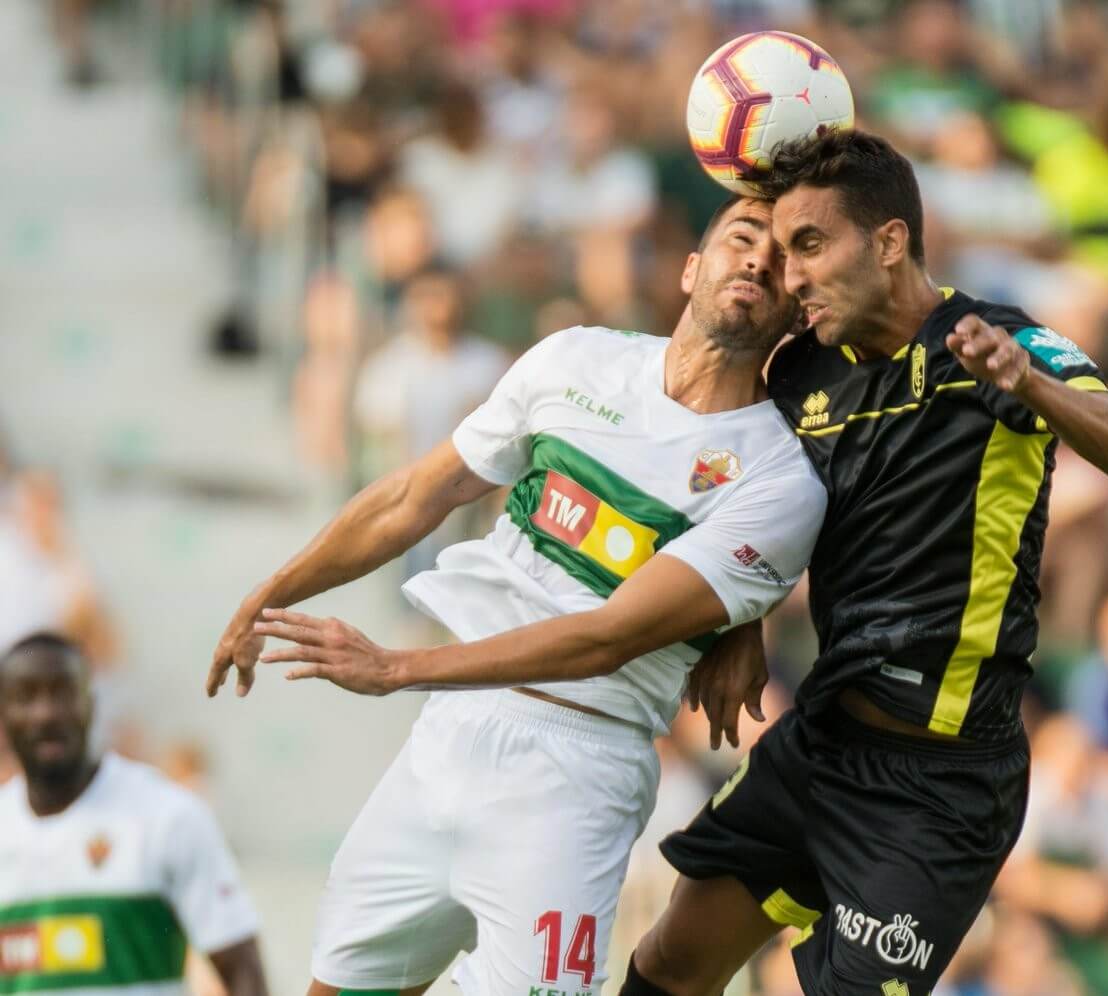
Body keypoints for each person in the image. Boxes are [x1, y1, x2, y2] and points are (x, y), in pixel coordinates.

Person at [207, 196, 827, 996]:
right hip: (446, 740)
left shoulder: (779, 479)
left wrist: (398, 667)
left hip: (577, 773)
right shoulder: (574, 361)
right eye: (741, 241)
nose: (755, 262)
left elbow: (607, 637)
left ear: (795, 313)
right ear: (688, 267)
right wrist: (273, 591)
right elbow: (412, 497)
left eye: (779, 262)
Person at [620, 129, 1108, 996]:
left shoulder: (995, 343)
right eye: (784, 251)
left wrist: (1028, 384)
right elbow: (755, 501)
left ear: (890, 241)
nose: (790, 276)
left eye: (809, 245)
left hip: (938, 784)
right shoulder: (799, 372)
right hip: (825, 742)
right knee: (670, 960)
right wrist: (744, 622)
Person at [0, 633, 266, 996]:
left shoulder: (167, 815)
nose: (46, 713)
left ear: (91, 704)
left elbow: (242, 970)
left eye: (63, 693)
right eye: (26, 696)